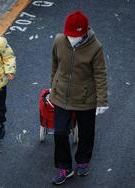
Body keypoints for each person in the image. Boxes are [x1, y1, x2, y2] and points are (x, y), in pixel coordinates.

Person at [49, 11, 108, 185]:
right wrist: (53, 85)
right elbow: (54, 64)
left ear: (84, 32)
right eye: (69, 35)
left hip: (85, 99)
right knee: (59, 132)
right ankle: (64, 167)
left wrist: (102, 100)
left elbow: (100, 74)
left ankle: (83, 160)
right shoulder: (59, 40)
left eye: (76, 35)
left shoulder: (95, 47)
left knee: (86, 132)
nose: (71, 38)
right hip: (61, 96)